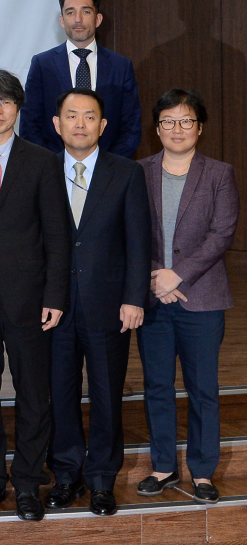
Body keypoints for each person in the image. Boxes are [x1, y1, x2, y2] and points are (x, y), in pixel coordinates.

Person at [0, 70, 71, 522]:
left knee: (33, 393)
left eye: (5, 101)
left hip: (29, 296)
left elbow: (57, 235)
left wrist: (55, 294)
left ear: (18, 108)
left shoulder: (41, 161)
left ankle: (27, 482)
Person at [45, 89, 151, 517]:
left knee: (107, 393)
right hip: (53, 306)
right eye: (71, 116)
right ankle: (66, 474)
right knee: (60, 392)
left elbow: (138, 242)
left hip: (109, 305)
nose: (80, 124)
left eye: (89, 116)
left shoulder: (126, 172)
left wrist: (134, 298)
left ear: (103, 126)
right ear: (57, 124)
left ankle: (103, 479)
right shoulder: (40, 169)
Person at [136, 89, 238, 505]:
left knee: (203, 389)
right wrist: (154, 278)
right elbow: (129, 232)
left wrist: (177, 275)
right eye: (168, 121)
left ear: (200, 127)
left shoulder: (219, 173)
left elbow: (222, 233)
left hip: (203, 299)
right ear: (157, 128)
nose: (177, 129)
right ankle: (163, 466)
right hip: (153, 298)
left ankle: (202, 471)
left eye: (186, 121)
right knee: (157, 385)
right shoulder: (138, 172)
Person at [22, 0, 142, 158]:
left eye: (85, 12)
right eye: (70, 12)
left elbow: (131, 126)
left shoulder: (121, 66)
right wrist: (52, 164)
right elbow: (30, 124)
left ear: (98, 19)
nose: (78, 19)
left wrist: (111, 166)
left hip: (109, 167)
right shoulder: (42, 64)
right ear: (62, 20)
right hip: (53, 167)